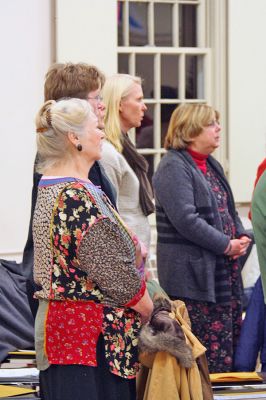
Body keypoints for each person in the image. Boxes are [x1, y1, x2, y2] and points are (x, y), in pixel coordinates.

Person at [33, 98, 153, 400]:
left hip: (74, 339)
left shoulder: (58, 186)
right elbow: (114, 274)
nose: (102, 133)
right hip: (88, 343)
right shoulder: (75, 195)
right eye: (96, 128)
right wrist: (151, 310)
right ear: (74, 138)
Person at [152, 103, 251, 373]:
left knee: (226, 349)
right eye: (211, 124)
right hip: (193, 281)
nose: (218, 129)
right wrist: (225, 244)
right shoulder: (172, 167)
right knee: (203, 354)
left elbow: (229, 209)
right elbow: (186, 219)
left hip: (220, 274)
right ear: (190, 130)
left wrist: (240, 235)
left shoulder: (211, 165)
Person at [22, 62, 117, 317]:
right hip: (73, 301)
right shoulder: (64, 167)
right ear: (74, 108)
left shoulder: (80, 158)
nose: (102, 104)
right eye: (96, 97)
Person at [100, 73, 154, 256]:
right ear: (120, 104)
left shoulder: (125, 147)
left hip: (135, 255)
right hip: (124, 256)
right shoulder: (107, 152)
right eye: (138, 100)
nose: (144, 107)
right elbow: (108, 212)